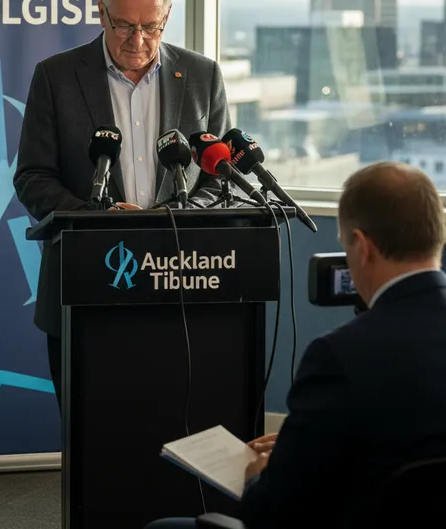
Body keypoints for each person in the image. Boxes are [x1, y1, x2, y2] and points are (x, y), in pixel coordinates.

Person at [145, 161, 446, 528]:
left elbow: (270, 513)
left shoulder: (340, 356)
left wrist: (259, 472)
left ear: (363, 248)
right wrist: (302, 442)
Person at [14, 0, 232, 406]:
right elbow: (33, 176)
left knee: (172, 418)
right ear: (100, 12)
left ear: (167, 16)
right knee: (91, 428)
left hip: (178, 279)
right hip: (84, 282)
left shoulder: (201, 76)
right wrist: (100, 219)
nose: (138, 40)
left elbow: (218, 178)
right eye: (124, 26)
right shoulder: (56, 77)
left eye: (151, 27)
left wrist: (172, 217)